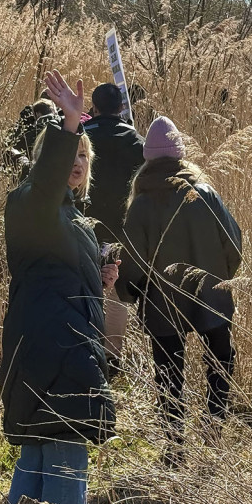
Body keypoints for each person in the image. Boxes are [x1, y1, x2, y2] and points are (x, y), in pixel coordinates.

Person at [0, 70, 118, 504]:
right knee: (66, 466)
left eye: (85, 156)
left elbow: (63, 277)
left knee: (38, 460)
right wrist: (71, 123)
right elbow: (45, 184)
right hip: (56, 354)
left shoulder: (72, 219)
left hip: (54, 351)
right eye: (69, 153)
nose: (77, 161)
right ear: (45, 158)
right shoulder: (31, 202)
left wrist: (100, 274)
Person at [118, 116, 242, 467]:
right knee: (221, 362)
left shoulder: (140, 205)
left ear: (148, 159)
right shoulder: (205, 194)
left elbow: (133, 266)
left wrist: (131, 293)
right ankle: (215, 429)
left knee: (169, 375)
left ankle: (175, 450)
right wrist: (221, 280)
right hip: (211, 297)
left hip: (162, 306)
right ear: (181, 155)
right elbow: (233, 244)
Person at [83, 83, 145, 370]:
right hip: (124, 228)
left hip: (84, 226)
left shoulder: (82, 137)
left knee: (85, 286)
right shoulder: (137, 142)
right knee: (119, 291)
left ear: (93, 108)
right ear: (121, 107)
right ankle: (112, 356)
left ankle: (86, 350)